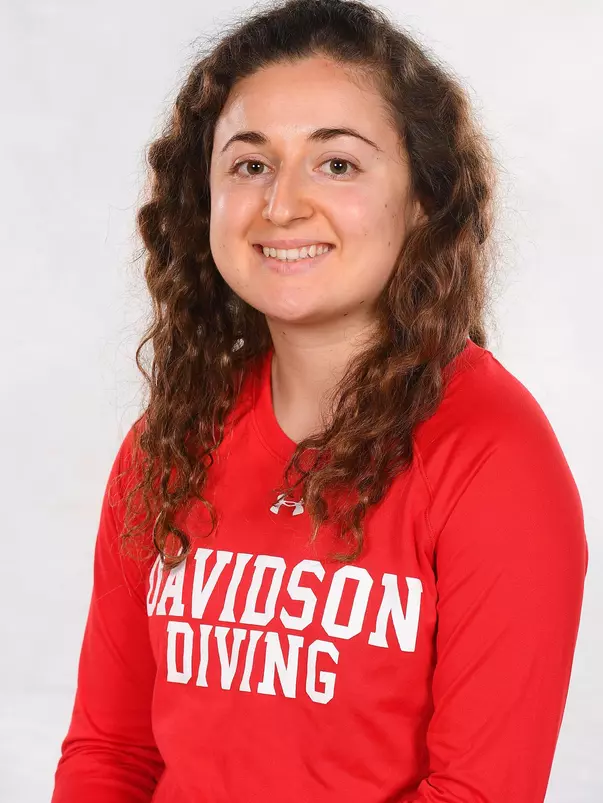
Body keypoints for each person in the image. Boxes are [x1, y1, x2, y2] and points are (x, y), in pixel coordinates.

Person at [51, 0, 588, 801]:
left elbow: (477, 793)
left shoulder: (493, 454)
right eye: (249, 163)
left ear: (422, 199)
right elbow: (112, 752)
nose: (282, 204)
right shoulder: (170, 439)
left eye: (336, 163)